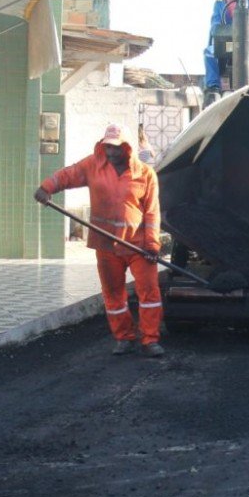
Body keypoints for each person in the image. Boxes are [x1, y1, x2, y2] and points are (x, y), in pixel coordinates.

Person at [33, 124, 165, 358]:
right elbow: (68, 174)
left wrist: (152, 245)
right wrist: (46, 187)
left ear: (127, 148)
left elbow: (152, 213)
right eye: (107, 147)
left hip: (137, 245)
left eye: (116, 148)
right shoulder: (93, 165)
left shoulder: (145, 174)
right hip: (106, 245)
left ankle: (150, 339)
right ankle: (124, 338)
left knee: (149, 293)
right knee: (113, 293)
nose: (111, 153)